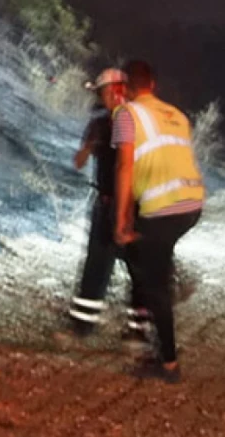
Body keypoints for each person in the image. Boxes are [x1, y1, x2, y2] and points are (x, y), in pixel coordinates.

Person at [112, 60, 205, 383]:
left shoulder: (127, 115)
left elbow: (125, 167)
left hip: (163, 207)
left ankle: (168, 363)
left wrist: (122, 218)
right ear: (153, 84)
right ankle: (167, 272)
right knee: (148, 256)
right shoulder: (177, 115)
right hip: (191, 204)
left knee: (154, 285)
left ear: (125, 88)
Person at [68, 69, 152, 343]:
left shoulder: (134, 120)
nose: (101, 97)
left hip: (134, 202)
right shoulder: (99, 123)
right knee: (96, 264)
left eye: (103, 91)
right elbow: (79, 161)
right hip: (105, 202)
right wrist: (87, 148)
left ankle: (138, 329)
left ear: (117, 89)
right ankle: (82, 325)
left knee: (138, 267)